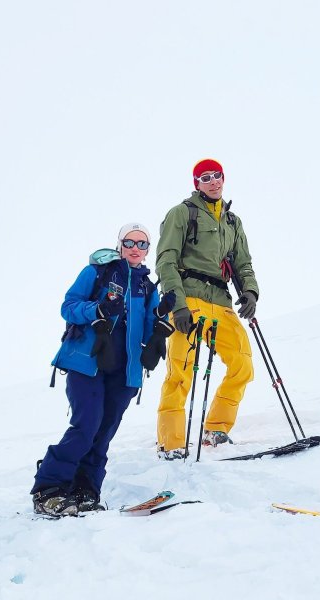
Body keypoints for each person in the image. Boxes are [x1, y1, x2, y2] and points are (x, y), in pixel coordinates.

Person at [34, 223, 173, 515]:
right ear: (119, 244)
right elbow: (68, 306)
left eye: (142, 244)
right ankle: (49, 489)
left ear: (148, 250)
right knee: (87, 425)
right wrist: (95, 311)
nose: (135, 248)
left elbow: (148, 329)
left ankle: (86, 490)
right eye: (130, 242)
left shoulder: (147, 287)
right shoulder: (98, 273)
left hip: (125, 371)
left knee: (104, 431)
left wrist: (160, 327)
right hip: (87, 362)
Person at [153, 159, 259, 459]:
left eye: (218, 176)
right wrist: (177, 303)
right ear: (196, 183)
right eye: (206, 177)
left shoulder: (232, 222)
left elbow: (243, 263)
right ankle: (171, 443)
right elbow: (166, 260)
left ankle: (216, 427)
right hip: (189, 297)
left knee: (242, 364)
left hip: (221, 299)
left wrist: (250, 291)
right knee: (180, 371)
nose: (213, 181)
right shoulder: (181, 213)